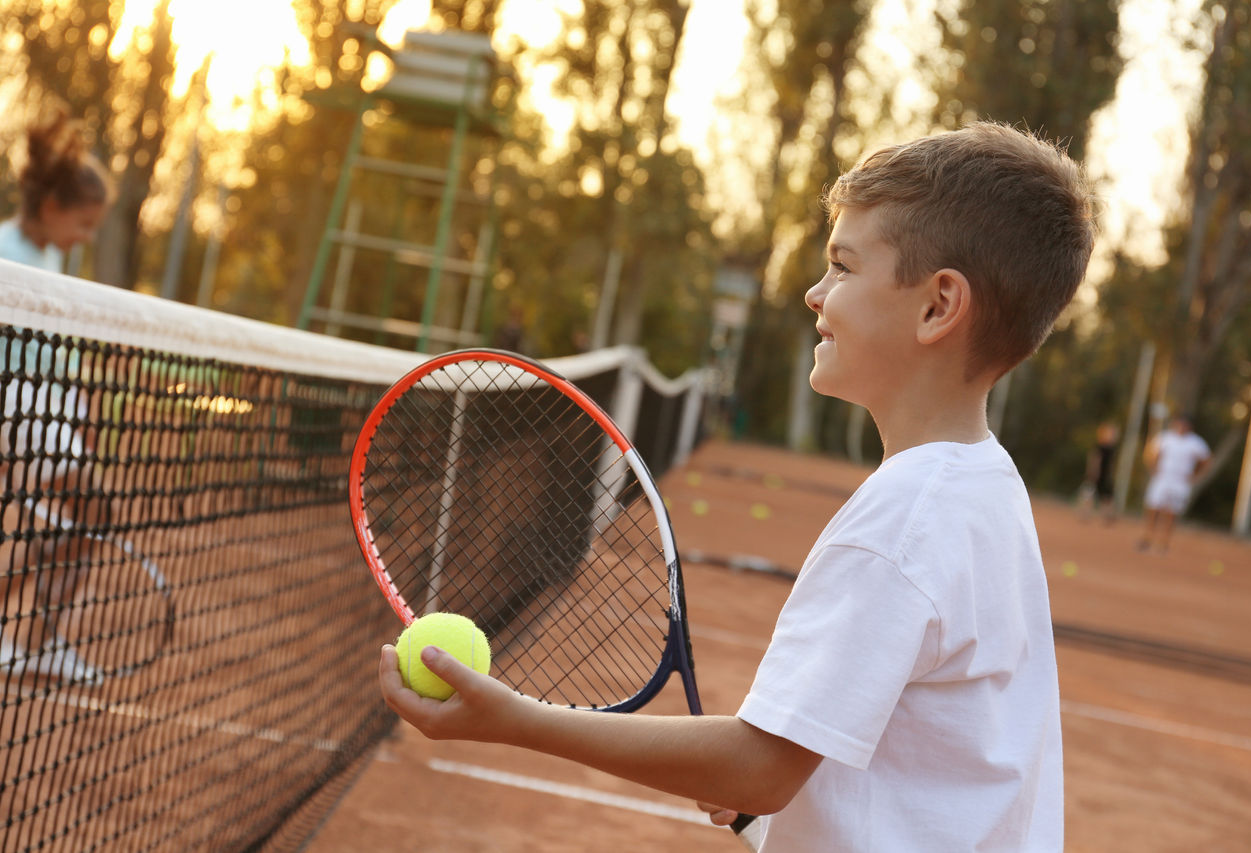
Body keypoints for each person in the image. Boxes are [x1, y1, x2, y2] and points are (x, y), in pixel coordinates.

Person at [376, 121, 1096, 851]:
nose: (817, 294)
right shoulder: (987, 485)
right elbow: (907, 765)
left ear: (939, 306)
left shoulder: (904, 518)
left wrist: (514, 718)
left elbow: (758, 767)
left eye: (844, 267)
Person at [1, 103, 114, 685]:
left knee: (63, 529)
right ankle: (35, 643)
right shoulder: (6, 255)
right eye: (85, 224)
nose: (84, 238)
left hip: (48, 408)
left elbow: (54, 345)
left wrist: (82, 402)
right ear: (51, 207)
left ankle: (34, 642)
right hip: (19, 406)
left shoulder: (45, 254)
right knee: (86, 515)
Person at [1137, 415, 1210, 554]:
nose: (1182, 428)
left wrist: (1195, 476)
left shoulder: (1195, 442)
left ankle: (1164, 542)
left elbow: (1206, 460)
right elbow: (1150, 452)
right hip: (1163, 478)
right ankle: (1147, 537)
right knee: (1153, 507)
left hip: (1180, 482)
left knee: (1172, 511)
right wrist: (1153, 468)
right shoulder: (1165, 438)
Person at [1078, 420, 1119, 522]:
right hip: (1095, 475)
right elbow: (1094, 460)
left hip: (1105, 476)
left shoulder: (1111, 449)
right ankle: (1085, 513)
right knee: (1089, 496)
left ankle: (1108, 515)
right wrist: (1093, 472)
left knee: (1107, 497)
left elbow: (1111, 465)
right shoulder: (1099, 447)